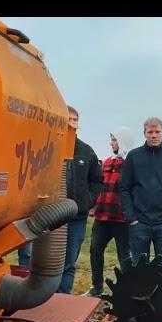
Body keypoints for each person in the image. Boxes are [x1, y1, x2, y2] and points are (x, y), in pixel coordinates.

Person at [119, 117, 162, 266]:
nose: (154, 135)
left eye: (157, 132)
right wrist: (131, 217)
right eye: (150, 132)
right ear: (144, 133)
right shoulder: (133, 156)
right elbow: (124, 188)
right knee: (138, 269)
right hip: (139, 223)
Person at [57, 105, 102, 294]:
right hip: (53, 217)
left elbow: (97, 180)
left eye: (75, 120)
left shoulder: (86, 151)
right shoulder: (51, 144)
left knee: (69, 261)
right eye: (68, 119)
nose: (71, 123)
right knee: (50, 260)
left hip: (77, 217)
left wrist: (88, 201)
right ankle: (45, 299)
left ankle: (63, 298)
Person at [84, 128, 134, 297]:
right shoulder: (105, 163)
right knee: (95, 250)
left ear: (123, 141)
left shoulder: (131, 164)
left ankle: (128, 290)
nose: (111, 143)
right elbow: (98, 185)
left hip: (122, 219)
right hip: (102, 217)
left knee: (124, 255)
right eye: (111, 139)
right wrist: (93, 205)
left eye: (114, 140)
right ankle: (97, 287)